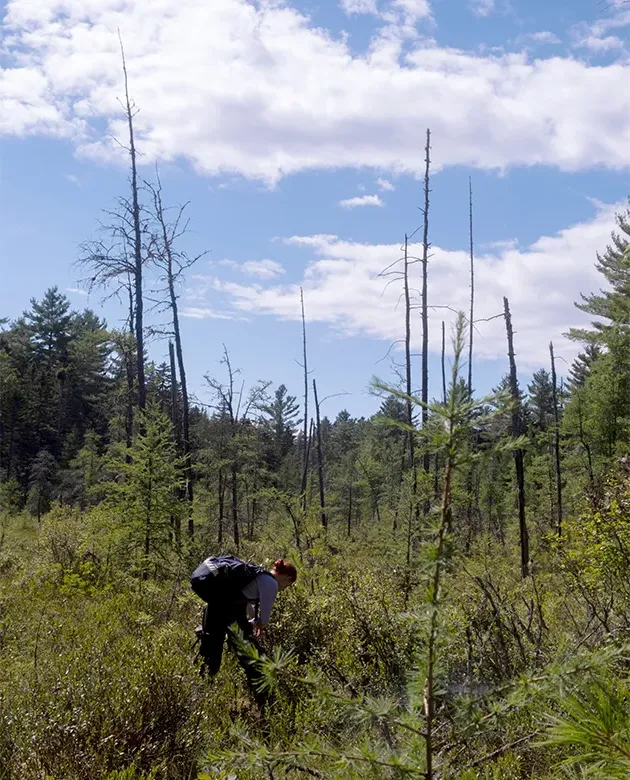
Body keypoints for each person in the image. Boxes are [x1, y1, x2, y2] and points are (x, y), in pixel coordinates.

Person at [190, 554, 297, 707]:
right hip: (227, 609)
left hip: (215, 605)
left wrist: (250, 622)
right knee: (251, 657)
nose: (285, 589)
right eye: (288, 586)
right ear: (287, 578)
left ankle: (199, 698)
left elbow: (243, 602)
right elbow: (263, 619)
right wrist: (255, 624)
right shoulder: (271, 583)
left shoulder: (257, 574)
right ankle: (267, 704)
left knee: (210, 652)